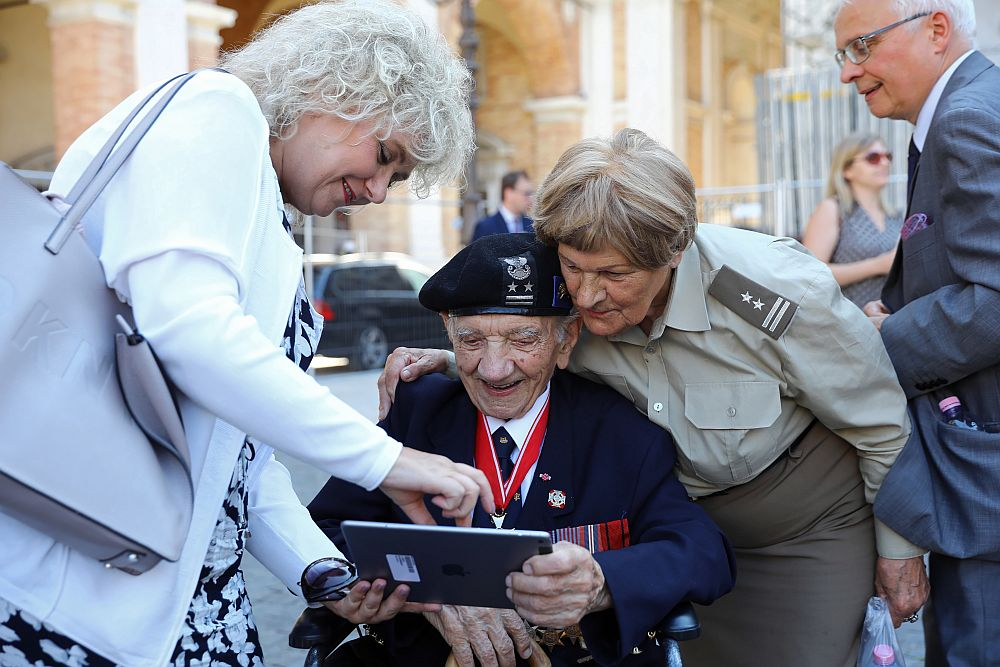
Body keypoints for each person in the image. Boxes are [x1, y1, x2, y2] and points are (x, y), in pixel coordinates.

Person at [0, 3, 494, 666]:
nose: (379, 191)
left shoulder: (264, 202)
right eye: (385, 156)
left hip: (173, 597)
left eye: (396, 178)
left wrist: (323, 569)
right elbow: (190, 328)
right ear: (333, 90)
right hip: (82, 593)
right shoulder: (219, 108)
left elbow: (234, 461)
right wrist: (387, 459)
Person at [376, 128, 929, 667]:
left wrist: (901, 552)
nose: (587, 296)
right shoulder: (572, 298)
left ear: (673, 253)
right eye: (573, 267)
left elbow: (879, 423)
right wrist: (454, 363)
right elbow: (524, 346)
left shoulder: (766, 290)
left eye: (614, 274)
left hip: (804, 532)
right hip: (673, 537)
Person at [309, 233, 736, 667]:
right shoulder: (416, 413)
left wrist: (601, 582)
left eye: (522, 339)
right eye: (472, 341)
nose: (494, 369)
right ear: (447, 334)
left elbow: (703, 551)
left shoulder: (620, 430)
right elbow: (321, 529)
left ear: (566, 339)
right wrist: (428, 595)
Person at [834, 1, 1000, 664]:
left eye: (864, 46)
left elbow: (993, 298)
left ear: (936, 29)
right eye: (843, 53)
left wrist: (881, 339)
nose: (850, 71)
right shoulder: (966, 106)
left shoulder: (966, 117)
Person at [801, 132, 903, 308]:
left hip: (890, 322)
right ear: (846, 169)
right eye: (873, 158)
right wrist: (876, 265)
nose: (885, 163)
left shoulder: (895, 215)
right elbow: (810, 274)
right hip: (848, 323)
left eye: (888, 156)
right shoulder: (832, 209)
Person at [472, 170, 536, 240]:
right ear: (509, 193)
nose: (531, 199)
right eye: (526, 193)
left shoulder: (531, 225)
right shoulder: (485, 227)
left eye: (531, 194)